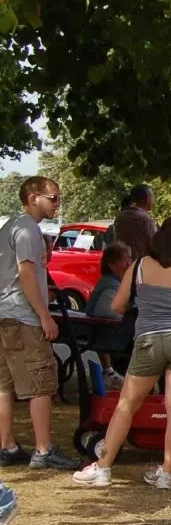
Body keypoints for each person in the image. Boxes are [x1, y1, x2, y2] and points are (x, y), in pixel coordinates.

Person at [72, 215, 171, 490]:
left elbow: (117, 305)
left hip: (149, 340)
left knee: (126, 404)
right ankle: (165, 474)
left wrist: (141, 306)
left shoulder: (139, 267)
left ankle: (103, 468)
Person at [0, 176, 79, 470]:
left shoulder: (9, 226)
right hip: (23, 317)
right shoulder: (28, 231)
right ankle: (44, 450)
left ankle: (6, 445)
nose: (57, 204)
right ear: (34, 197)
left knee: (5, 384)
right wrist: (45, 316)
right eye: (53, 198)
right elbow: (25, 274)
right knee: (41, 383)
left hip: (4, 314)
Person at [87, 240, 134, 387]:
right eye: (125, 260)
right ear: (112, 264)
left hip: (104, 332)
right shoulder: (112, 284)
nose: (129, 264)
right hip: (107, 334)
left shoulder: (113, 282)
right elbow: (107, 311)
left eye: (129, 260)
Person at [108, 184, 157, 265]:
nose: (153, 199)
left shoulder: (121, 217)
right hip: (141, 266)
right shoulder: (145, 219)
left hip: (123, 263)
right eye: (152, 196)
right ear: (147, 198)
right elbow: (155, 246)